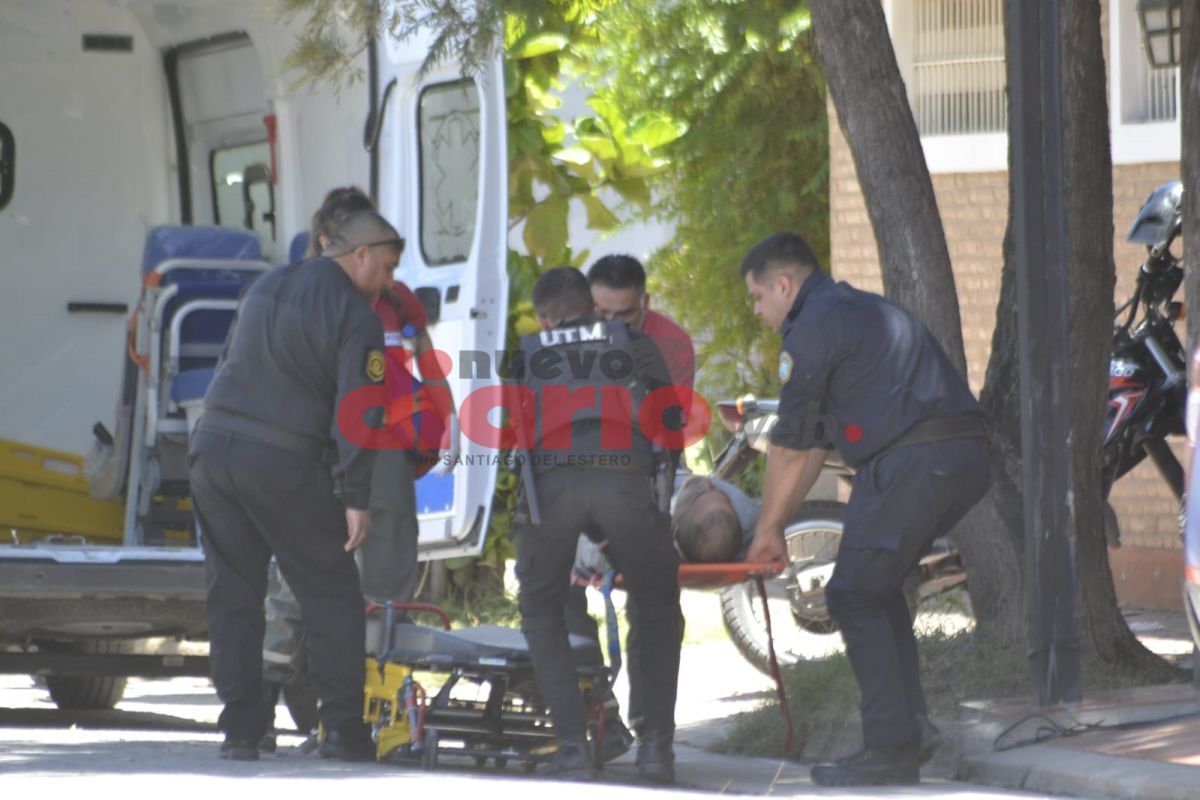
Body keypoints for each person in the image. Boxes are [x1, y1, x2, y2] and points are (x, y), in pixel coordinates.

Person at [740, 231, 991, 787]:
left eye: (758, 297)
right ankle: (908, 730)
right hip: (955, 456)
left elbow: (788, 447)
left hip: (914, 460)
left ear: (783, 285)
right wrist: (775, 525)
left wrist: (766, 529)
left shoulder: (811, 328)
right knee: (873, 588)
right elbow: (813, 447)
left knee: (852, 593)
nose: (758, 312)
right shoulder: (851, 311)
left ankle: (889, 749)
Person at [189, 209, 403, 762]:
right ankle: (345, 731)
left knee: (233, 594)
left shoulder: (265, 285)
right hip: (280, 461)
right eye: (386, 268)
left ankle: (241, 731)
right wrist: (356, 497)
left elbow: (230, 363)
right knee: (331, 592)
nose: (388, 283)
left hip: (212, 450)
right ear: (359, 254)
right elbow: (360, 413)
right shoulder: (354, 314)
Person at [261, 187, 459, 745]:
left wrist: (447, 418)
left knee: (385, 586)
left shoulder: (397, 303)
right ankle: (269, 708)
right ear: (338, 245)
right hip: (319, 451)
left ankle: (372, 715)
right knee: (295, 585)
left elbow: (427, 362)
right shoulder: (302, 296)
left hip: (384, 454)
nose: (383, 270)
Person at [514, 267, 683, 783]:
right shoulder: (636, 344)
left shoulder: (526, 353)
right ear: (591, 306)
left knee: (541, 608)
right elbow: (670, 431)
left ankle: (572, 748)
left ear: (544, 318)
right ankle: (656, 749)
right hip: (626, 482)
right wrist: (654, 511)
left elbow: (515, 441)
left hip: (552, 489)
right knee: (657, 603)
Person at [572, 254, 695, 746]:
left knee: (657, 593)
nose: (610, 327)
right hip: (581, 478)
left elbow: (666, 440)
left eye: (623, 316)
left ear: (645, 303)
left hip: (651, 474)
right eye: (600, 314)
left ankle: (653, 732)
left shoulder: (671, 344)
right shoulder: (565, 343)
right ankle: (597, 711)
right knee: (548, 582)